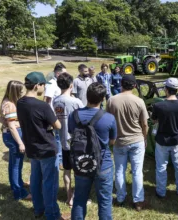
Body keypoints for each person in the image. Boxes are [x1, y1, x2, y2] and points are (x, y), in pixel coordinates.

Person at [17, 72, 70, 220]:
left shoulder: (20, 103)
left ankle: (38, 209)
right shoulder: (43, 106)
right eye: (43, 85)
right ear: (37, 86)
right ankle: (52, 214)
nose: (44, 88)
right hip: (46, 149)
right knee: (49, 183)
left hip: (32, 148)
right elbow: (58, 125)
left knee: (35, 179)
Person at [69, 83, 117, 220]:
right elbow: (112, 141)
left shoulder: (74, 115)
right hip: (103, 164)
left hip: (81, 162)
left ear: (87, 96)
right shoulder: (109, 118)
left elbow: (71, 133)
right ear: (102, 99)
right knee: (105, 201)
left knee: (79, 199)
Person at [106, 74, 149, 211]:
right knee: (137, 172)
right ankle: (138, 200)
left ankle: (120, 198)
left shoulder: (111, 100)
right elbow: (144, 124)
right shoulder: (139, 101)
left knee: (119, 170)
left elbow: (108, 121)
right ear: (135, 86)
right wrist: (145, 138)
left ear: (121, 84)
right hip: (137, 140)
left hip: (119, 141)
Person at [151, 78, 178, 198]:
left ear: (166, 89)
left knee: (161, 166)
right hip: (176, 140)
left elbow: (154, 120)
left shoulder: (158, 105)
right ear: (177, 90)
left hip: (162, 140)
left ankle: (161, 191)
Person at [53, 73, 84, 208]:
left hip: (63, 140)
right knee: (79, 171)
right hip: (76, 141)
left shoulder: (55, 101)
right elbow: (84, 119)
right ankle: (76, 197)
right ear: (71, 85)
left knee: (67, 170)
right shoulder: (76, 102)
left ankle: (69, 197)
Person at [0, 80, 32, 201]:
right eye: (20, 90)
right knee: (17, 165)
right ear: (15, 91)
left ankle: (16, 184)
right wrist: (20, 143)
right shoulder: (11, 105)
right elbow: (12, 127)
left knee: (13, 163)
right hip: (14, 136)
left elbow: (0, 118)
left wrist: (7, 124)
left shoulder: (6, 101)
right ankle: (19, 193)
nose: (22, 92)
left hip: (9, 135)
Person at [44, 65, 67, 168]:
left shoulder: (58, 83)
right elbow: (46, 100)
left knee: (62, 137)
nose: (66, 75)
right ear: (58, 73)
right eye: (64, 73)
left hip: (61, 114)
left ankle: (61, 158)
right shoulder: (51, 84)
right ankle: (59, 161)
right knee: (58, 138)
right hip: (55, 116)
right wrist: (49, 116)